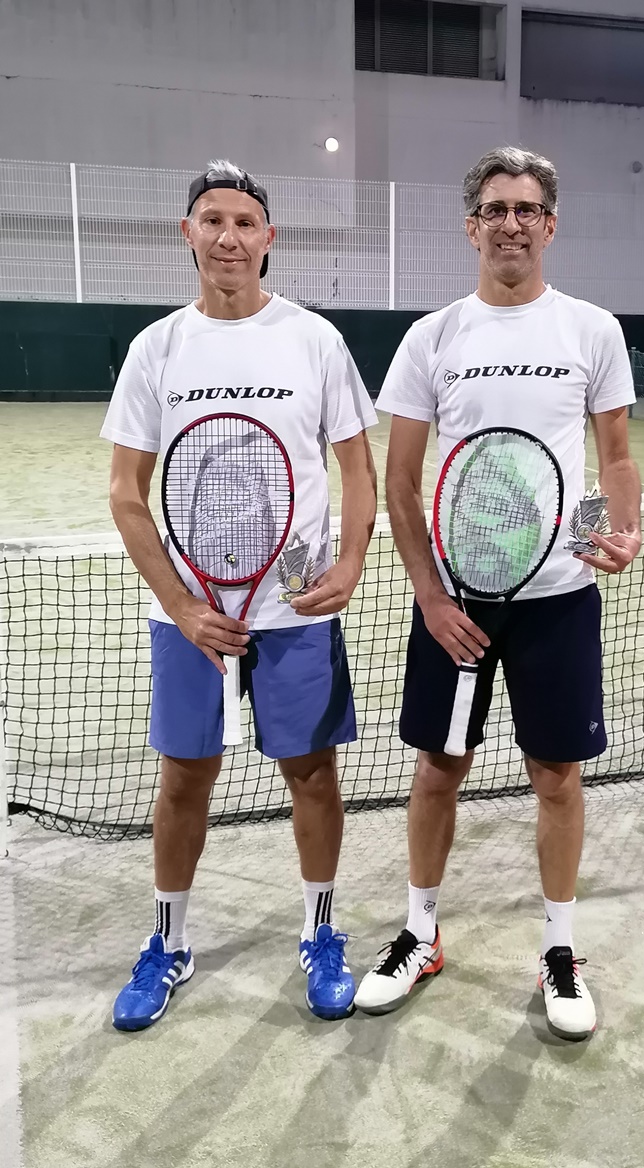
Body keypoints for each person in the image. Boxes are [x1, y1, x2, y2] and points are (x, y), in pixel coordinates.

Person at [354, 146, 641, 1040]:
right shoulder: (433, 337)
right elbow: (400, 483)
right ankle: (419, 932)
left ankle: (559, 950)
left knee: (556, 774)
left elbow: (611, 457)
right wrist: (431, 596)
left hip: (558, 599)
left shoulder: (590, 329)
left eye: (525, 208)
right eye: (494, 208)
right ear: (470, 225)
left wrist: (612, 528)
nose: (510, 222)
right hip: (457, 600)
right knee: (439, 767)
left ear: (548, 225)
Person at [101, 159, 377, 1029]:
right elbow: (123, 490)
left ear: (269, 238)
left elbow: (358, 474)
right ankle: (169, 942)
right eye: (212, 220)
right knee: (185, 777)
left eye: (245, 221)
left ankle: (321, 932)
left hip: (292, 603)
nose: (229, 236)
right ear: (188, 234)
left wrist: (352, 564)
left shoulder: (313, 340)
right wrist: (182, 606)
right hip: (192, 610)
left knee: (311, 774)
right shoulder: (158, 347)